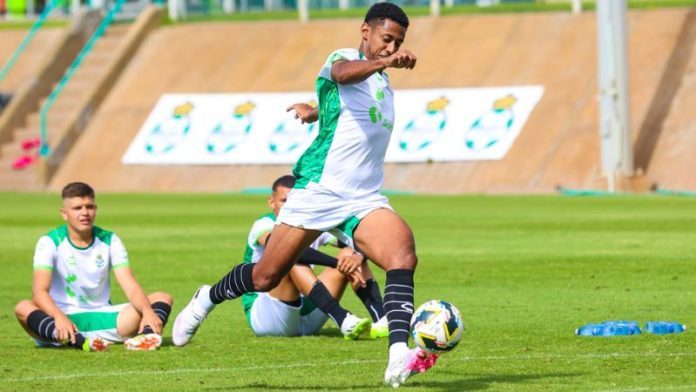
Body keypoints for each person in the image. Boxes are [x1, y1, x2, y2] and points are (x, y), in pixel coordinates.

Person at [173, 3, 436, 387]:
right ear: (365, 31)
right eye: (386, 38)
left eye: (397, 41)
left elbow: (343, 109)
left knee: (403, 254)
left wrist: (315, 111)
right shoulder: (345, 57)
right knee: (265, 277)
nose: (390, 46)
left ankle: (399, 353)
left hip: (363, 197)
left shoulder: (383, 83)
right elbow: (341, 76)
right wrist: (387, 61)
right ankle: (207, 297)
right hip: (319, 188)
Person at [14, 182, 173, 351]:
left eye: (89, 207)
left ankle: (146, 337)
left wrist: (148, 312)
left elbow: (131, 286)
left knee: (162, 298)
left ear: (95, 209)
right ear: (64, 213)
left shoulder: (110, 240)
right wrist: (58, 317)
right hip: (63, 321)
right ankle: (80, 341)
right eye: (77, 208)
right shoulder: (49, 242)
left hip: (107, 319)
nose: (85, 213)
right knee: (23, 307)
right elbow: (39, 291)